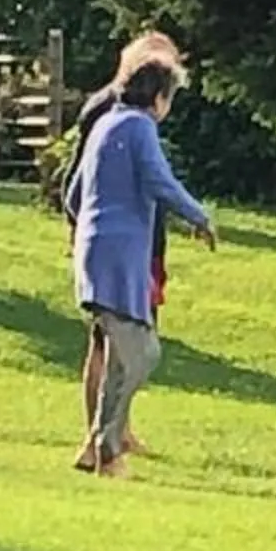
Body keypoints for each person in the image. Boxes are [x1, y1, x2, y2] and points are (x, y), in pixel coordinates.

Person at [64, 59, 216, 478]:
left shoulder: (104, 125)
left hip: (93, 251)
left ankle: (98, 450)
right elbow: (159, 180)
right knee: (142, 352)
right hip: (121, 255)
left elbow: (74, 195)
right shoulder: (139, 126)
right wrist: (199, 217)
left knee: (118, 355)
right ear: (159, 97)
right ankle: (108, 449)